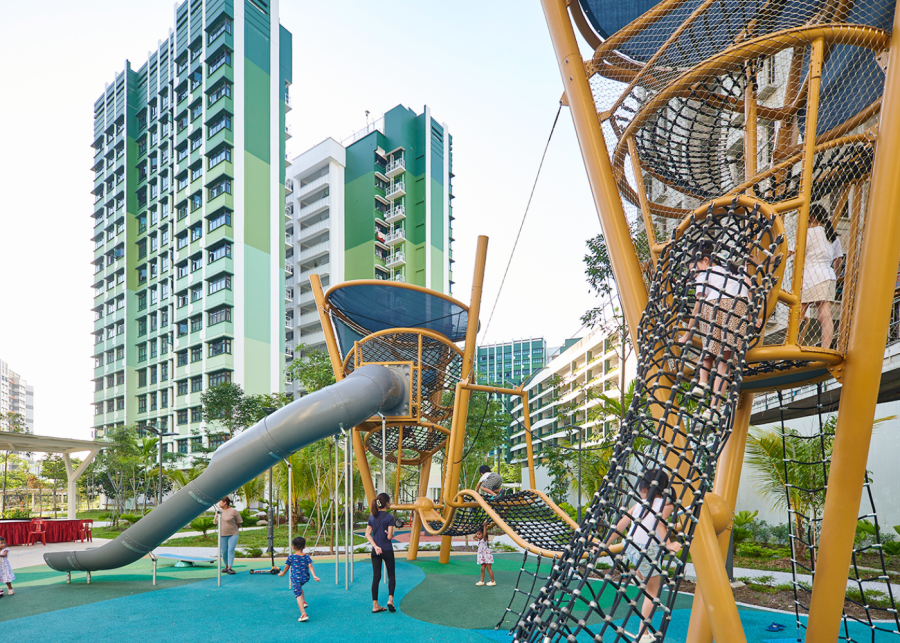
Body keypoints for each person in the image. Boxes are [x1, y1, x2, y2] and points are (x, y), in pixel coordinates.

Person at [606, 469, 682, 643]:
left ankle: (636, 574)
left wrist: (606, 544)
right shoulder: (667, 504)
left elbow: (620, 525)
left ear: (646, 488)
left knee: (645, 572)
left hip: (630, 546)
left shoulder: (639, 503)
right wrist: (669, 544)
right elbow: (659, 523)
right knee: (653, 592)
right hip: (647, 549)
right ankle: (644, 633)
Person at [797, 205, 842, 349]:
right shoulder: (832, 235)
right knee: (824, 314)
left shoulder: (808, 233)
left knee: (798, 313)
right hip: (827, 275)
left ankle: (792, 344)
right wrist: (834, 274)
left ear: (812, 218)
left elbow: (790, 250)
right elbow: (839, 260)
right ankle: (825, 348)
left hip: (810, 277)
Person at [366, 492, 397, 613]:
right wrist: (392, 532)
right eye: (389, 501)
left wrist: (375, 546)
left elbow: (367, 534)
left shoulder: (372, 516)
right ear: (387, 503)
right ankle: (390, 600)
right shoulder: (389, 518)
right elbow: (389, 537)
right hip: (387, 550)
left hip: (376, 551)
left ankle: (375, 605)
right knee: (391, 575)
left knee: (376, 577)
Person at [279, 536, 320, 622]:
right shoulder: (306, 557)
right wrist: (314, 575)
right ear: (304, 547)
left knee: (298, 595)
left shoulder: (291, 557)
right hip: (305, 578)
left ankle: (303, 614)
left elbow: (287, 566)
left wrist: (282, 573)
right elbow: (310, 566)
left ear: (292, 547)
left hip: (296, 579)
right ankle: (304, 602)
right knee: (299, 588)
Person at [213, 497, 242, 575]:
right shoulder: (219, 511)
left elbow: (239, 522)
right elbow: (216, 522)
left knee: (230, 550)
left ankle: (229, 567)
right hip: (222, 535)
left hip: (233, 534)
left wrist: (234, 529)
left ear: (225, 502)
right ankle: (226, 566)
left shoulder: (234, 511)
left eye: (220, 502)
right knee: (224, 551)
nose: (219, 504)